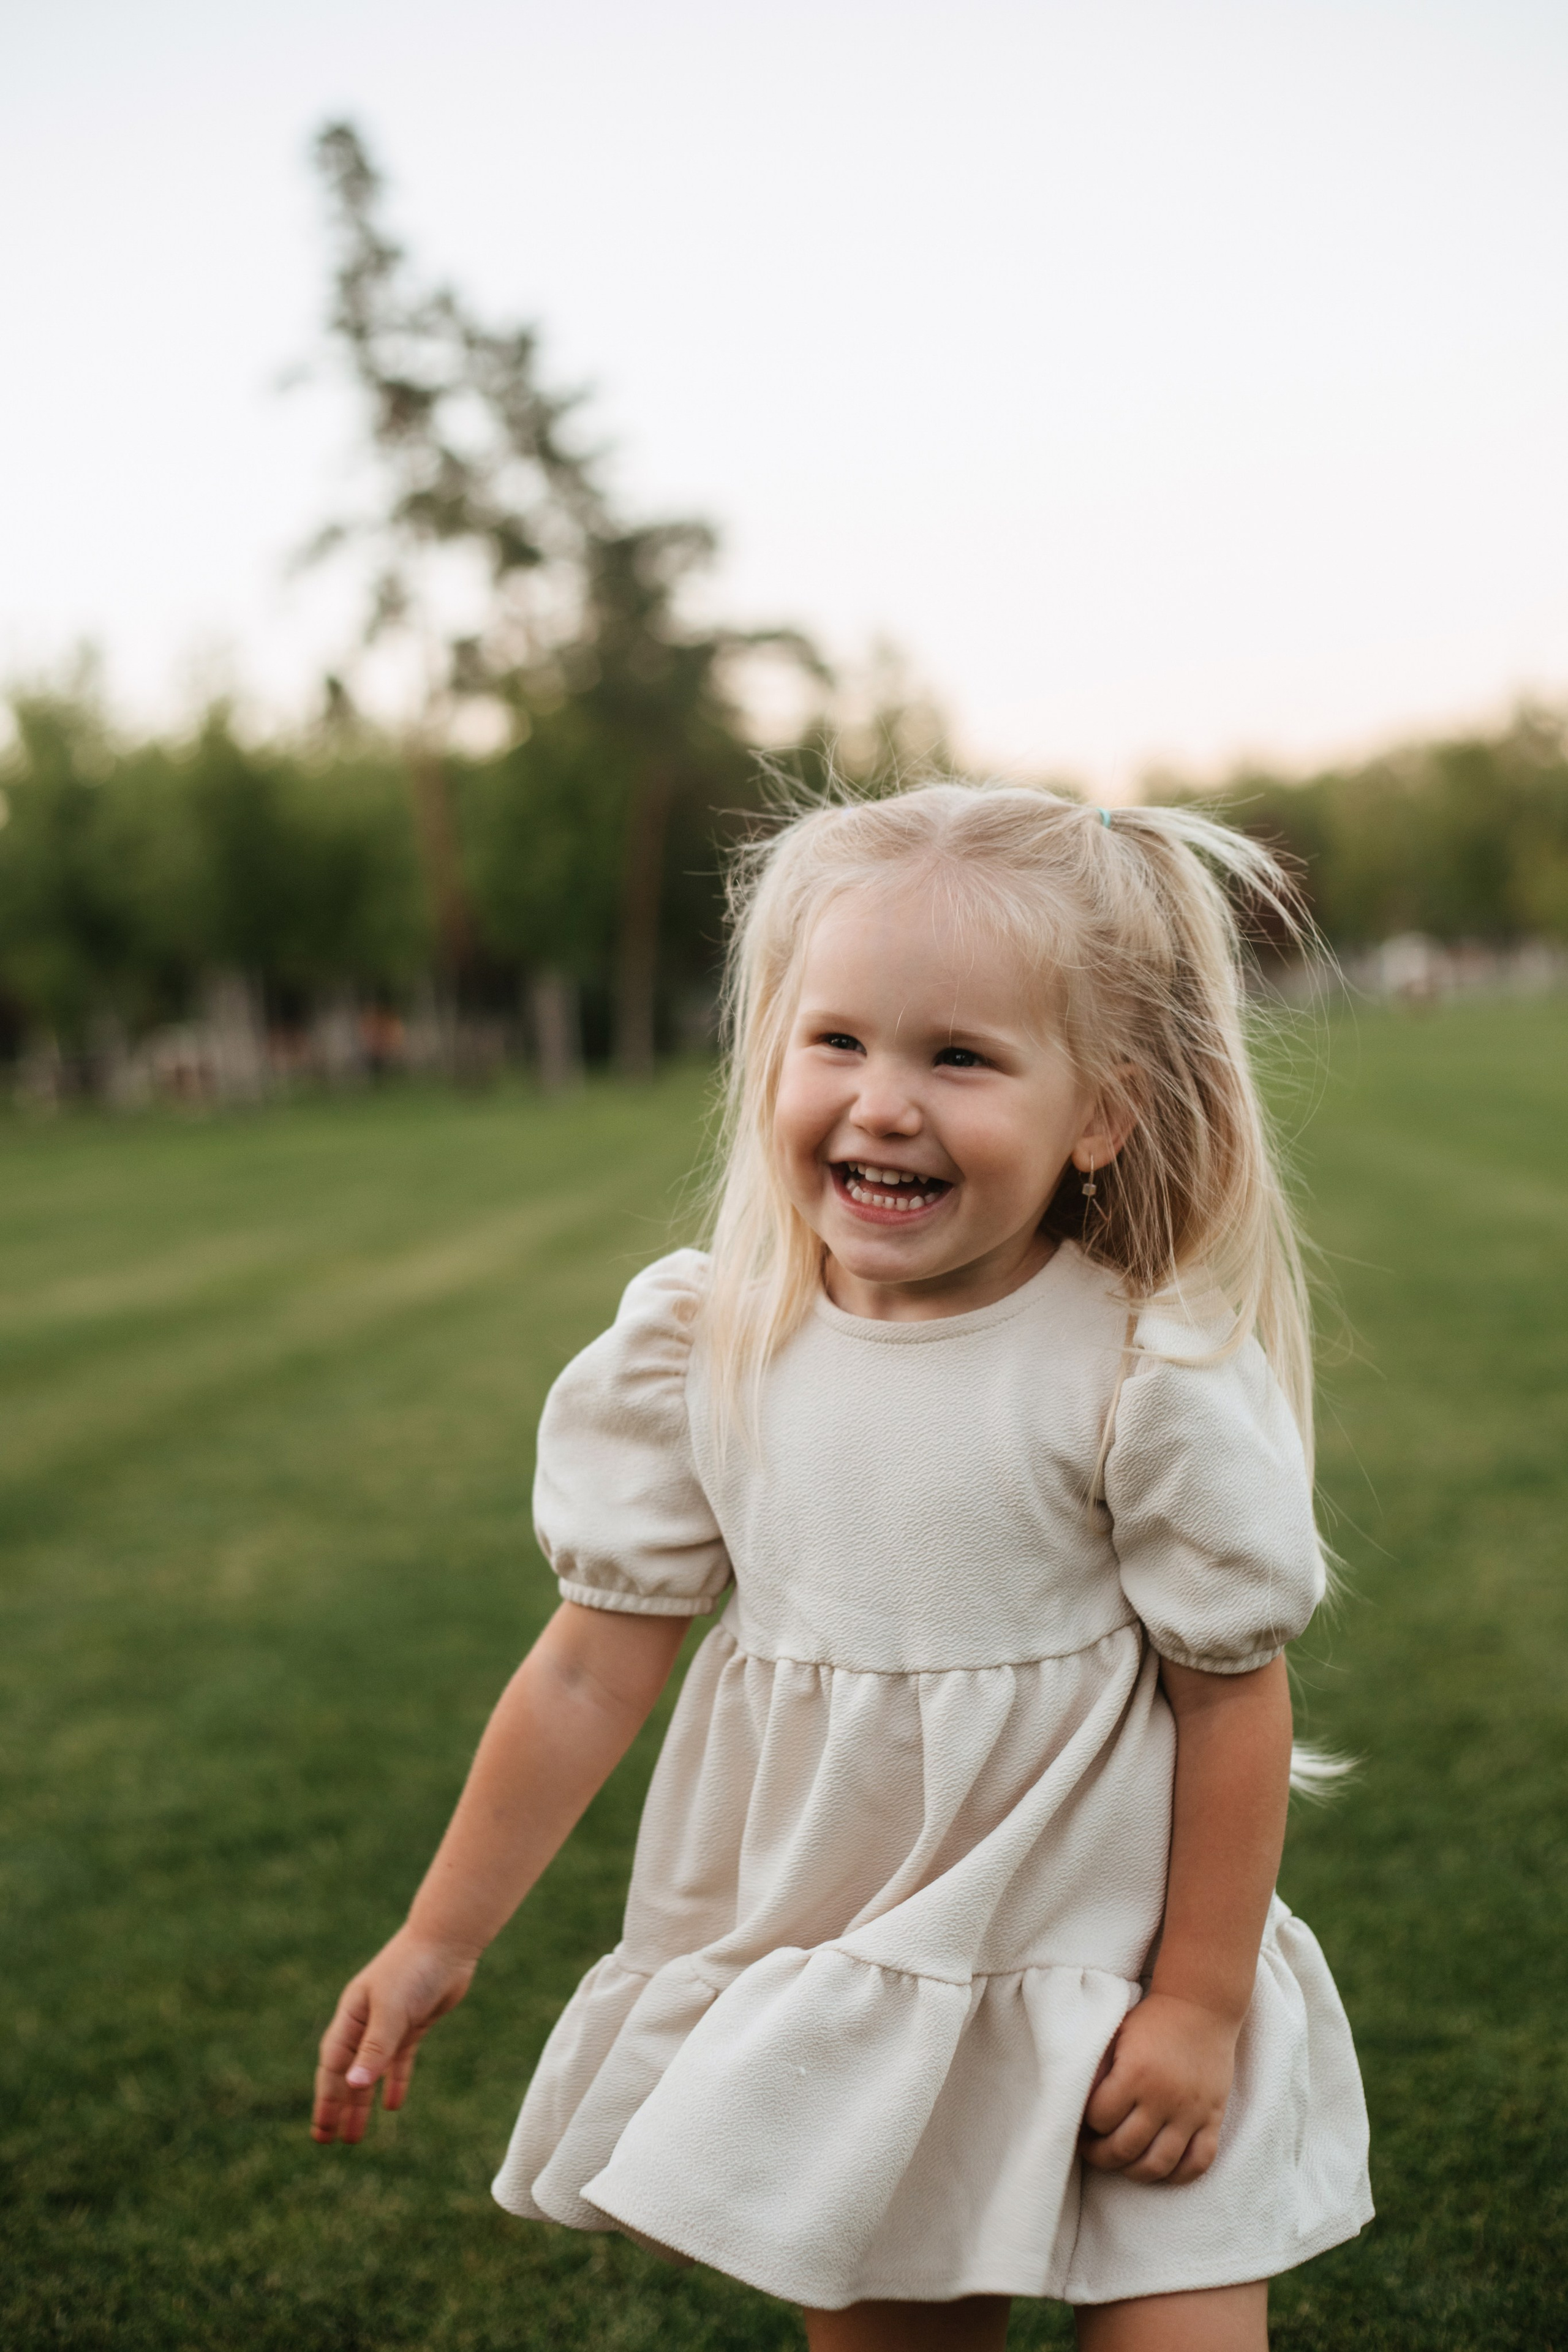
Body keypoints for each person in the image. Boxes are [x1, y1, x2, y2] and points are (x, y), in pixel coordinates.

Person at [312, 783, 1373, 2350]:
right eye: (838, 1044)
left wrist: (1200, 2007)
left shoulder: (1136, 1371)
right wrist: (436, 1936)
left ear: (1100, 1113)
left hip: (1122, 1964)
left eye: (957, 1057)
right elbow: (590, 1666)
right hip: (867, 1984)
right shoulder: (707, 1346)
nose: (883, 1102)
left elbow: (1229, 1702)